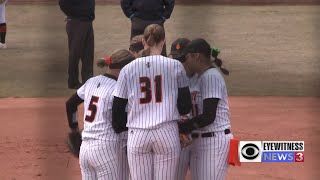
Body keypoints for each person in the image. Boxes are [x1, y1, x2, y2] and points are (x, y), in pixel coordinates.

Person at [111, 24, 192, 180]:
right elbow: (185, 107)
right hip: (166, 133)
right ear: (163, 41)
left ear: (143, 41)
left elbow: (118, 108)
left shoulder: (128, 69)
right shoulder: (175, 66)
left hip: (138, 134)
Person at [65, 49, 135, 180]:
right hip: (106, 150)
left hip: (85, 149)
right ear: (125, 68)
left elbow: (70, 104)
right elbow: (117, 123)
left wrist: (74, 128)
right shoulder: (118, 88)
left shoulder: (91, 81)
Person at [178, 38, 232, 180]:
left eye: (187, 57)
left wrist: (181, 127)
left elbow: (209, 116)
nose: (185, 61)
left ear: (196, 56)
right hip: (201, 141)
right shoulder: (199, 77)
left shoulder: (211, 77)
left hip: (213, 142)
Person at [168, 38, 196, 180]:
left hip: (200, 136)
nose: (178, 62)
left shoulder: (203, 77)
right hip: (179, 137)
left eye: (181, 58)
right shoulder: (170, 76)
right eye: (176, 58)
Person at [59, 0, 95, 89]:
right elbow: (63, 3)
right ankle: (73, 82)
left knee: (88, 54)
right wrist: (75, 15)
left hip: (88, 22)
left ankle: (88, 81)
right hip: (76, 23)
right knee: (75, 53)